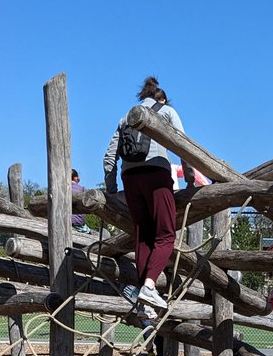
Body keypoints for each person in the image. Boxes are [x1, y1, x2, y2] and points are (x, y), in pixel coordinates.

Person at [103, 76, 195, 314]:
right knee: (165, 235)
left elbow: (109, 157)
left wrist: (112, 192)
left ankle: (145, 301)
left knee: (142, 237)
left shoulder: (126, 118)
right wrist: (190, 179)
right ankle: (150, 287)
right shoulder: (166, 112)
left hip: (130, 178)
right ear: (159, 97)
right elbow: (184, 146)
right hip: (156, 173)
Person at [70, 169, 92, 234]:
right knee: (89, 233)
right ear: (75, 178)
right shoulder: (81, 188)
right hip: (76, 221)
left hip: (63, 219)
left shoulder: (62, 187)